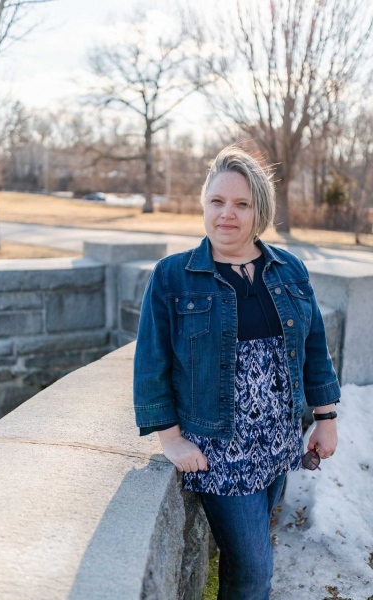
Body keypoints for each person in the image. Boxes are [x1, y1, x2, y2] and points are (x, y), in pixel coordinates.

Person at [133, 145, 340, 600]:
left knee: (249, 562)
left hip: (279, 443)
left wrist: (326, 418)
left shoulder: (289, 270)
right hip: (219, 451)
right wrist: (170, 439)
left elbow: (314, 349)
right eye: (217, 202)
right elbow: (151, 363)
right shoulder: (173, 276)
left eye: (241, 204)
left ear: (258, 210)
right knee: (253, 571)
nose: (227, 214)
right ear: (204, 205)